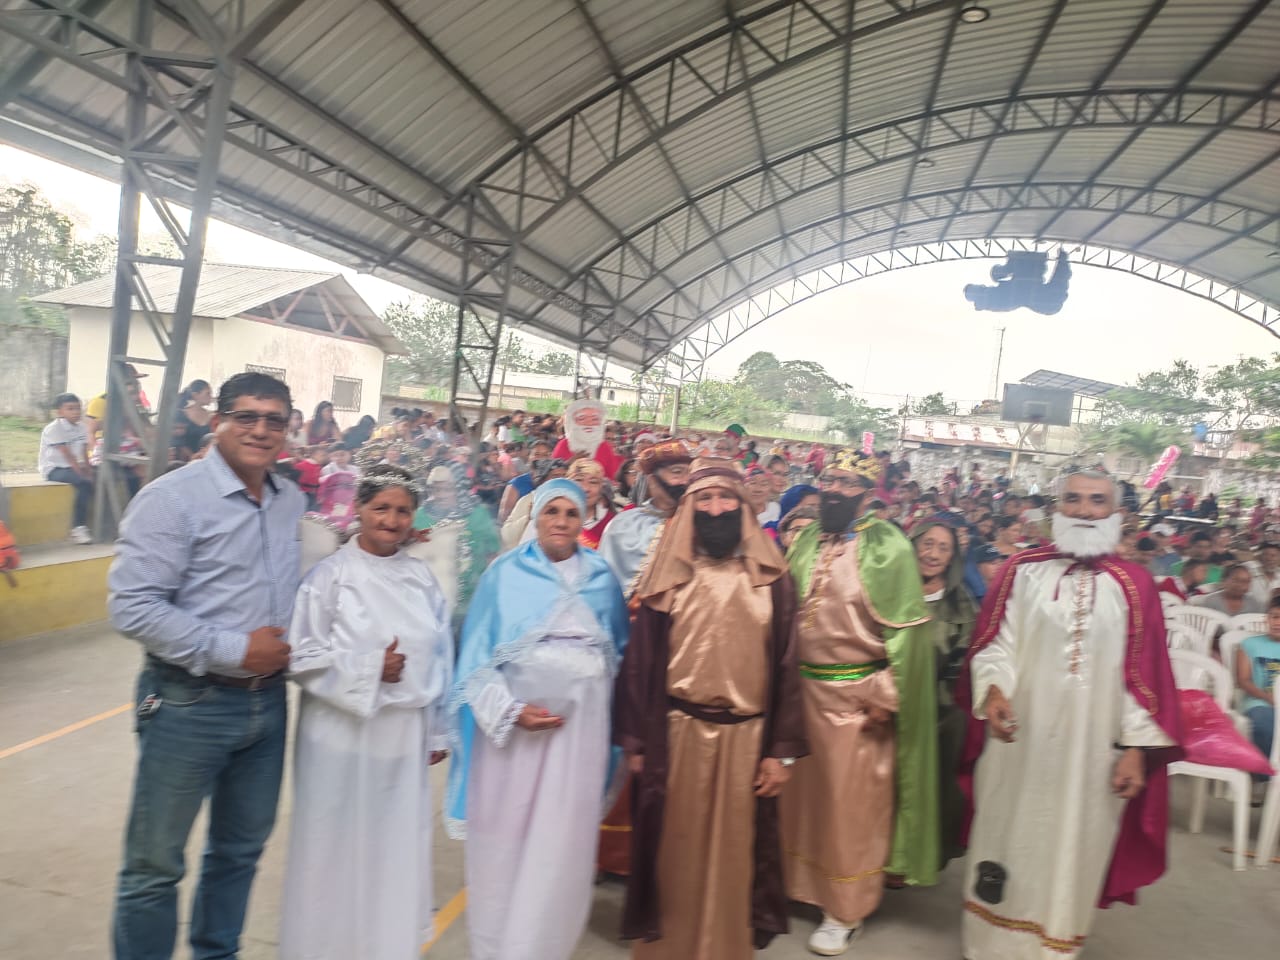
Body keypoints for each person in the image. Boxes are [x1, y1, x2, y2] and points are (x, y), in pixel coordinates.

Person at [108, 372, 303, 960]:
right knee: (154, 865)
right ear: (217, 422)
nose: (260, 430)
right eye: (246, 416)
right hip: (187, 704)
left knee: (238, 854)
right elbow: (132, 606)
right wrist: (236, 650)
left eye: (274, 420)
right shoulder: (172, 499)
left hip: (267, 705)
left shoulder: (291, 502)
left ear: (287, 430)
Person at [957, 469, 1183, 960]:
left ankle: (1053, 948)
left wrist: (1136, 750)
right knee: (1006, 836)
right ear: (1056, 508)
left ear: (1116, 513)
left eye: (1097, 501)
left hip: (1093, 753)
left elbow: (1142, 678)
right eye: (1073, 499)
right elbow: (998, 643)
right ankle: (988, 948)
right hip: (1019, 740)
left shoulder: (1135, 586)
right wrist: (994, 691)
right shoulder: (1022, 571)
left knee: (1074, 847)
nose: (1083, 510)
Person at [615, 458, 807, 958]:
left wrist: (780, 754)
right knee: (673, 853)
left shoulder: (773, 578)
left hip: (748, 744)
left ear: (743, 507)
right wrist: (636, 742)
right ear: (689, 508)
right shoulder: (669, 577)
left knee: (736, 857)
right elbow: (640, 664)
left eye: (726, 498)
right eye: (704, 498)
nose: (716, 508)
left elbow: (789, 668)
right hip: (677, 738)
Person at [448, 478, 629, 960]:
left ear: (583, 519)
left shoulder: (602, 578)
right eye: (552, 511)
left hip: (580, 740)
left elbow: (621, 661)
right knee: (505, 839)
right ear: (536, 516)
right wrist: (509, 711)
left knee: (562, 843)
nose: (561, 522)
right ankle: (497, 947)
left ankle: (545, 946)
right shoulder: (504, 575)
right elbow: (474, 664)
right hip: (513, 744)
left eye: (571, 513)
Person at [279, 465, 452, 959]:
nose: (391, 520)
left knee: (391, 848)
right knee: (333, 845)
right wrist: (371, 667)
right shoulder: (329, 576)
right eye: (381, 508)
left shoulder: (422, 578)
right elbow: (302, 656)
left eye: (402, 511)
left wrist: (437, 730)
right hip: (339, 735)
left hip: (401, 737)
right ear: (358, 509)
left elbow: (443, 653)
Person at [780, 450, 938, 955]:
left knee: (849, 808)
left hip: (856, 701)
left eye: (848, 484)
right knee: (799, 803)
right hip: (800, 694)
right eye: (830, 479)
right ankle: (797, 886)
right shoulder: (807, 537)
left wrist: (885, 695)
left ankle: (844, 910)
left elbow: (908, 635)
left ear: (869, 494)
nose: (834, 490)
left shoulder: (888, 545)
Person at [911, 519, 977, 866]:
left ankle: (920, 858)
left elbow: (964, 662)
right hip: (882, 703)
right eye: (927, 544)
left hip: (940, 711)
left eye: (943, 548)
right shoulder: (889, 591)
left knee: (930, 786)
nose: (933, 554)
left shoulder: (961, 605)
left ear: (952, 557)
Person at [408, 462, 500, 634]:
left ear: (460, 488)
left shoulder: (478, 515)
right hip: (430, 609)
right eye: (435, 489)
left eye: (447, 489)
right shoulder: (418, 518)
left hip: (473, 605)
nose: (440, 495)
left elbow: (492, 557)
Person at [599, 440, 694, 602]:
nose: (686, 481)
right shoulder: (624, 524)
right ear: (652, 481)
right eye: (677, 472)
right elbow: (604, 585)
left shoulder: (700, 524)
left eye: (691, 473)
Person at [38, 392, 94, 544]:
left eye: (78, 408)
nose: (76, 412)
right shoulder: (53, 429)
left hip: (73, 466)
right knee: (83, 483)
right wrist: (83, 475)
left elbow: (83, 452)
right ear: (60, 412)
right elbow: (68, 455)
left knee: (100, 477)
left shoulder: (82, 427)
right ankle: (78, 528)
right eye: (70, 409)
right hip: (54, 469)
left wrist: (89, 469)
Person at [1236, 597, 1280, 762]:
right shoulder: (1249, 644)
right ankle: (1265, 772)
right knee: (1265, 725)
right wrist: (1269, 698)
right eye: (1274, 617)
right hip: (1259, 702)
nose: (1278, 623)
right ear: (1266, 619)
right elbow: (1243, 680)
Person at [553, 398, 622, 478]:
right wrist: (569, 463)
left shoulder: (604, 446)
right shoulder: (564, 445)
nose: (589, 423)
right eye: (582, 418)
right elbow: (552, 475)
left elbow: (612, 477)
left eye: (594, 419)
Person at [567, 456, 615, 548]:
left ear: (601, 488)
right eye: (579, 480)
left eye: (593, 482)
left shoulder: (612, 523)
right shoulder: (555, 518)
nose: (585, 488)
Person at [1192, 562, 1264, 618]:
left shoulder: (1254, 603)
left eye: (1246, 581)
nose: (1242, 585)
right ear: (1224, 581)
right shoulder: (1210, 601)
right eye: (1236, 580)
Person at [173, 380, 213, 460]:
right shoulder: (180, 414)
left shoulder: (212, 416)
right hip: (183, 461)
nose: (211, 397)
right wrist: (192, 457)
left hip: (205, 459)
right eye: (208, 393)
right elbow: (178, 441)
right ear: (195, 395)